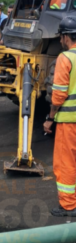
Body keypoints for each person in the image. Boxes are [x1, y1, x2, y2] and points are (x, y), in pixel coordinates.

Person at [44, 16, 76, 216]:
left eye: (61, 37)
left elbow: (58, 94)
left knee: (66, 163)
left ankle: (69, 205)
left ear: (65, 37)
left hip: (69, 121)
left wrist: (50, 117)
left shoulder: (66, 58)